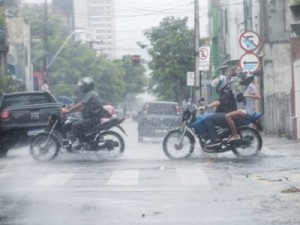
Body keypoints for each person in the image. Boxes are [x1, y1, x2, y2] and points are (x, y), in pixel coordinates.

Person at [65, 76, 110, 149]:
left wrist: (69, 110)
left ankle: (80, 142)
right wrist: (72, 109)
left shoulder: (91, 94)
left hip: (92, 119)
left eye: (83, 87)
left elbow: (80, 104)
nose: (81, 88)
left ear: (88, 87)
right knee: (76, 122)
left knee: (75, 125)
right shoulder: (90, 94)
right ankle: (84, 141)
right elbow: (83, 107)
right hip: (92, 117)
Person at [198, 75, 237, 147]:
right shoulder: (225, 91)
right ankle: (212, 135)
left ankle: (215, 139)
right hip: (225, 113)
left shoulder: (226, 92)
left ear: (222, 83)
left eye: (218, 85)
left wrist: (205, 107)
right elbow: (220, 105)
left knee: (207, 119)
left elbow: (218, 102)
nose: (217, 87)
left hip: (228, 114)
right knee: (208, 116)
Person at [225, 71, 261, 142]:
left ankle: (235, 135)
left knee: (227, 116)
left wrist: (247, 95)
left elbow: (258, 96)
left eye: (242, 79)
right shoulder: (246, 87)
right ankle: (233, 133)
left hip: (248, 112)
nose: (241, 80)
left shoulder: (251, 86)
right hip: (245, 110)